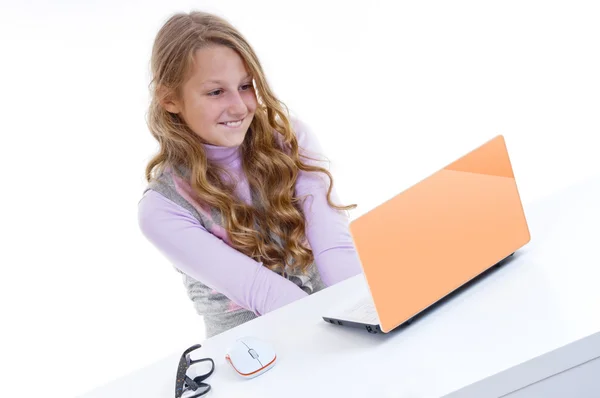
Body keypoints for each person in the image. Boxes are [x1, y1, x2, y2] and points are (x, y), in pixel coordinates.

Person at [137, 10, 362, 338]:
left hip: (335, 320)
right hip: (252, 354)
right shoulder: (161, 208)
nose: (240, 106)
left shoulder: (290, 140)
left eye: (245, 86)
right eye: (216, 92)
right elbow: (264, 293)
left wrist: (368, 310)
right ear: (169, 99)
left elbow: (335, 248)